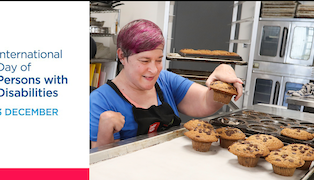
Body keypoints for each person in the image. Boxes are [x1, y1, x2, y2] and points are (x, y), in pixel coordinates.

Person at [90, 19, 243, 148]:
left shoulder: (164, 80)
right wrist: (105, 130)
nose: (153, 69)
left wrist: (222, 73)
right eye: (144, 61)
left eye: (158, 60)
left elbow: (206, 103)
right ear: (122, 56)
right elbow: (101, 165)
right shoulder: (101, 100)